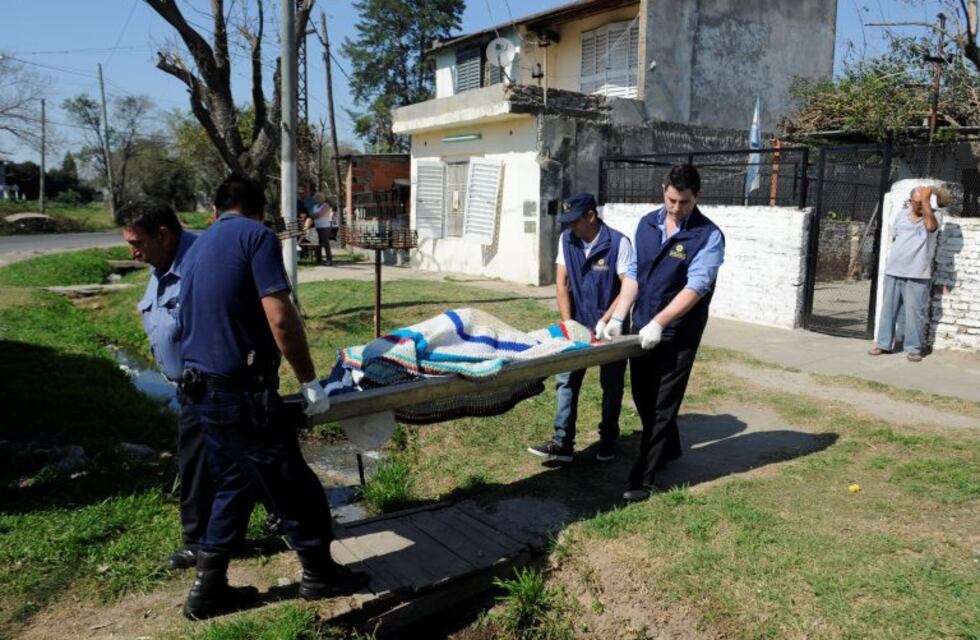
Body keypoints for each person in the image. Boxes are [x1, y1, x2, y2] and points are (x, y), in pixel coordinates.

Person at [178, 174, 367, 620]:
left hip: (200, 392)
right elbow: (280, 318)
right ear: (261, 210)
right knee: (293, 485)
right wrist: (308, 380)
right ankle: (319, 574)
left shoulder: (199, 246)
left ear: (216, 209)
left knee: (234, 485)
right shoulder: (256, 237)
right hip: (239, 394)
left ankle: (209, 588)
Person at [117, 198, 270, 571]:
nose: (133, 252)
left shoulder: (203, 263)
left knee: (242, 461)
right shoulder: (163, 264)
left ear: (164, 235)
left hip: (221, 384)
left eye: (137, 242)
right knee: (203, 464)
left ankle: (213, 544)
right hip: (190, 387)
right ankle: (206, 540)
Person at [608, 164, 725, 502]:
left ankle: (643, 478)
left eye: (684, 202)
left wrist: (660, 322)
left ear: (696, 197)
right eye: (672, 200)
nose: (676, 208)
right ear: (664, 190)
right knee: (643, 396)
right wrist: (618, 316)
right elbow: (634, 273)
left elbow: (697, 287)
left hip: (678, 332)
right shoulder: (647, 223)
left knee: (662, 404)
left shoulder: (708, 235)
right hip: (640, 324)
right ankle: (669, 447)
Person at [527, 193, 635, 463]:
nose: (569, 227)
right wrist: (568, 324)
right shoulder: (567, 240)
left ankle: (608, 440)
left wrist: (609, 320)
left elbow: (627, 287)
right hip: (578, 322)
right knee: (566, 381)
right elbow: (561, 283)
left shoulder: (618, 243)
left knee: (611, 385)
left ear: (591, 216)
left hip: (612, 327)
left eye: (574, 221)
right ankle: (562, 443)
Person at [869, 185, 942, 362]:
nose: (919, 206)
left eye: (923, 202)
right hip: (894, 270)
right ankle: (883, 344)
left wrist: (926, 201)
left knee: (914, 313)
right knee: (888, 310)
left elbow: (931, 227)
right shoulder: (901, 215)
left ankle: (914, 348)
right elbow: (895, 236)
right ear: (910, 202)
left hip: (917, 274)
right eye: (916, 203)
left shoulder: (934, 215)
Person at [311, 193, 334, 265]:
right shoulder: (315, 206)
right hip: (316, 226)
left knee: (325, 243)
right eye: (316, 198)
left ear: (322, 198)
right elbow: (312, 214)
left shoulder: (326, 205)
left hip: (325, 227)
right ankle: (318, 259)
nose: (317, 199)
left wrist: (314, 215)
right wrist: (314, 215)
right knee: (317, 243)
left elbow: (319, 215)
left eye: (318, 198)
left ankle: (329, 260)